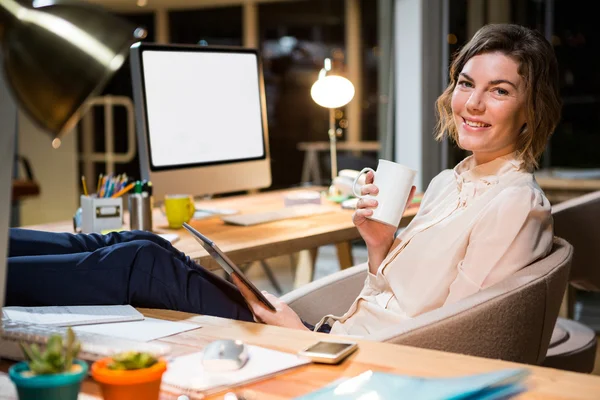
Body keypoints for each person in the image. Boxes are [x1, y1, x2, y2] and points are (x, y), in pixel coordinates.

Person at [6, 23, 560, 337]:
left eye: (500, 90)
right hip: (327, 332)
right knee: (137, 242)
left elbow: (456, 332)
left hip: (349, 354)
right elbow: (393, 297)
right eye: (467, 83)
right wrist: (377, 247)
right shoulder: (453, 179)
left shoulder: (515, 202)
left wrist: (303, 337)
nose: (474, 103)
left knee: (142, 262)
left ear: (530, 109)